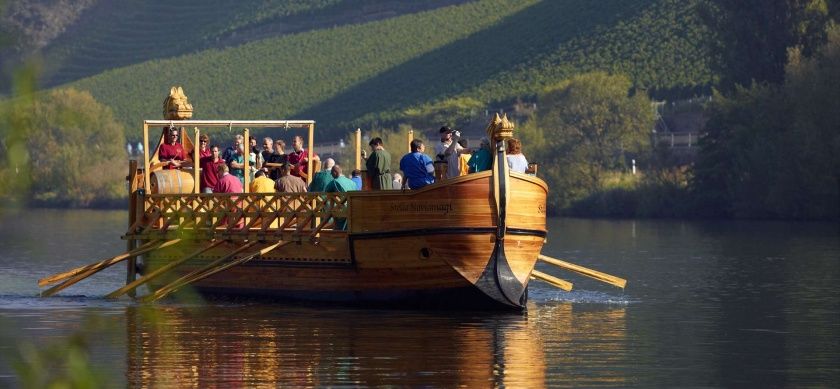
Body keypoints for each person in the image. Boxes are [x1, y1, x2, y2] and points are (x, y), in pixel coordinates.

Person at [324, 165, 356, 230]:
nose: (331, 175)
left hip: (341, 210)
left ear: (335, 172)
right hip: (353, 209)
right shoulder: (352, 182)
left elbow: (325, 192)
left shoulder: (335, 182)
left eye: (332, 173)